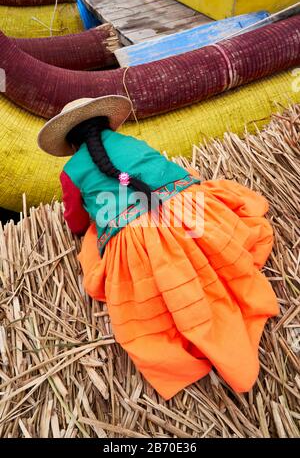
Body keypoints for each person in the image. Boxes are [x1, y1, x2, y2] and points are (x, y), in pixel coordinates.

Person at [38, 95, 279, 400]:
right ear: (105, 123)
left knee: (92, 243)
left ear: (70, 143)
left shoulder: (70, 171)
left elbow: (74, 220)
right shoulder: (133, 142)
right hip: (188, 215)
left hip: (141, 236)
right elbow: (171, 173)